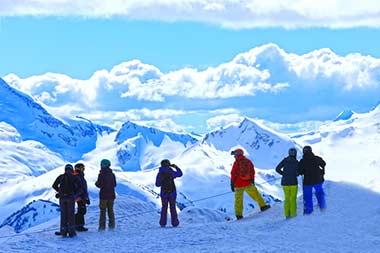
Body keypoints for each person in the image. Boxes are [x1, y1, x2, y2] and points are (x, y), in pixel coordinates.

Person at [230, 149, 270, 220]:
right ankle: (263, 206)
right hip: (248, 183)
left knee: (238, 200)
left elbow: (233, 174)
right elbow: (252, 172)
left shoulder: (236, 163)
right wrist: (252, 181)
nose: (234, 157)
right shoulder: (248, 161)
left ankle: (239, 215)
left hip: (238, 185)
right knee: (256, 195)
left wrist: (232, 184)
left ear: (237, 155)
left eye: (235, 155)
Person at [52, 164, 82, 237]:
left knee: (63, 214)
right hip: (71, 197)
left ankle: (63, 232)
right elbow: (80, 186)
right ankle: (71, 232)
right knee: (71, 214)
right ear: (72, 170)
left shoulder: (61, 177)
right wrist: (74, 193)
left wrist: (59, 191)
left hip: (62, 197)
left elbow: (54, 185)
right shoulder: (74, 177)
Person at [299, 145, 327, 215]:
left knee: (308, 196)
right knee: (320, 193)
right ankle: (323, 207)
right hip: (318, 180)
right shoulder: (316, 158)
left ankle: (309, 211)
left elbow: (300, 171)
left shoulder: (302, 161)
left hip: (307, 181)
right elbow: (324, 164)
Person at [155, 159, 183, 227]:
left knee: (164, 208)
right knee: (172, 208)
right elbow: (180, 174)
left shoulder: (160, 174)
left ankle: (162, 223)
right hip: (172, 193)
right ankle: (175, 223)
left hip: (164, 194)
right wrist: (175, 167)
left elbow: (157, 184)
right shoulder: (171, 172)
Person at [275, 148, 300, 219]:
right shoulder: (296, 162)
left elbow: (277, 169)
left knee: (287, 198)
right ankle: (293, 214)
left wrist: (283, 174)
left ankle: (287, 214)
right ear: (295, 154)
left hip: (285, 182)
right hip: (293, 183)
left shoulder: (285, 160)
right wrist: (296, 174)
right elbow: (299, 172)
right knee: (293, 198)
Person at [95, 159, 117, 231]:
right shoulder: (112, 174)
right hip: (111, 195)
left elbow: (99, 184)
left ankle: (102, 227)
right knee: (111, 210)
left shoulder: (101, 174)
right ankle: (112, 226)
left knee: (103, 211)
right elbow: (114, 184)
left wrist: (96, 183)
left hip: (103, 195)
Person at [74, 163, 90, 232]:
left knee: (81, 210)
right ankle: (78, 226)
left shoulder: (79, 176)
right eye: (82, 168)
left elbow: (84, 188)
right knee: (82, 211)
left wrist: (86, 197)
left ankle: (78, 225)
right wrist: (82, 196)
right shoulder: (78, 176)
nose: (83, 170)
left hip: (81, 196)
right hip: (80, 197)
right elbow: (81, 188)